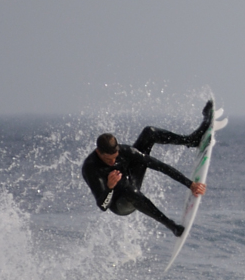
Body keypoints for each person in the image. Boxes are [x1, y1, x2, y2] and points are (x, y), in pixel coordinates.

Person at [81, 101, 212, 237]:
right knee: (130, 191)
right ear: (98, 152)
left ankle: (191, 140)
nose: (113, 162)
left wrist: (190, 184)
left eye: (115, 157)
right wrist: (109, 187)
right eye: (109, 160)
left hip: (132, 181)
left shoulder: (124, 151)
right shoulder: (91, 168)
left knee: (149, 133)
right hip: (120, 203)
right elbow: (103, 206)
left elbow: (158, 165)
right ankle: (171, 226)